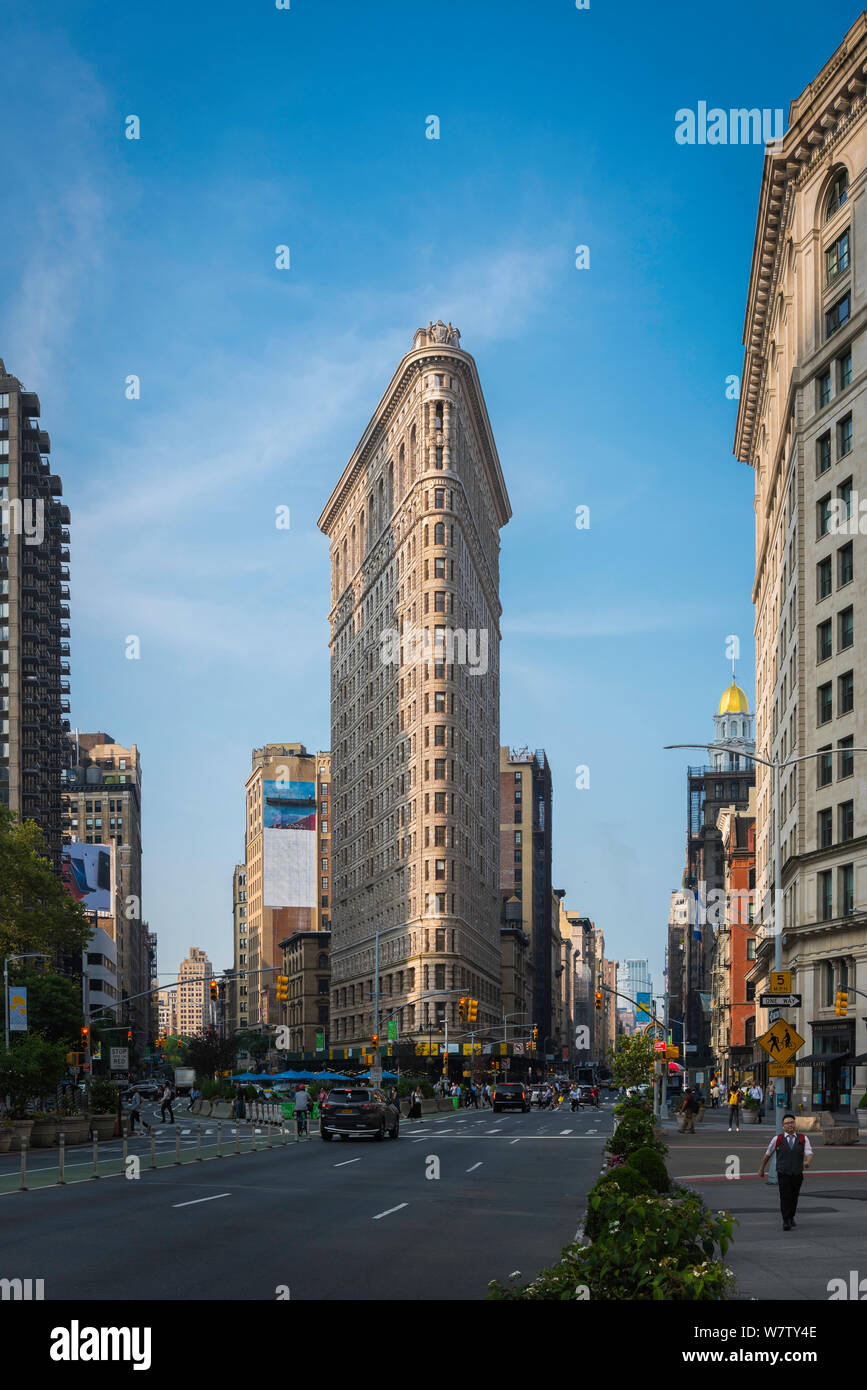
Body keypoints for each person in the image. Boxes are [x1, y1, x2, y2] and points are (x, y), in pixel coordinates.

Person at [758, 1112, 813, 1230]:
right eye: (787, 1123)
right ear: (783, 1126)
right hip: (783, 1173)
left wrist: (808, 1162)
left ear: (795, 1124)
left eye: (792, 1122)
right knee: (785, 1196)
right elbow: (768, 1154)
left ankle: (791, 1216)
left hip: (797, 1173)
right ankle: (786, 1220)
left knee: (794, 1196)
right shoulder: (777, 1139)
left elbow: (809, 1153)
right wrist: (761, 1169)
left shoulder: (803, 1138)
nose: (790, 1125)